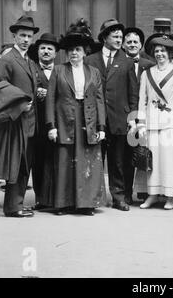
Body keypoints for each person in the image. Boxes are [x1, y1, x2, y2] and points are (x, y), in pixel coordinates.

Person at [45, 19, 106, 216]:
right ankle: (63, 204)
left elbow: (99, 100)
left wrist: (101, 127)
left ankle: (86, 204)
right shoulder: (58, 70)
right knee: (65, 161)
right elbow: (50, 99)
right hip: (65, 119)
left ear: (85, 51)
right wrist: (51, 126)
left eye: (78, 50)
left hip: (88, 120)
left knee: (87, 160)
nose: (74, 53)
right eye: (70, 50)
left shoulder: (93, 72)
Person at [0, 15, 40, 217]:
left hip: (30, 121)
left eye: (29, 36)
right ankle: (12, 207)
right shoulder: (7, 59)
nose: (25, 39)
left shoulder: (29, 61)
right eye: (22, 35)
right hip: (15, 120)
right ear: (14, 36)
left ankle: (18, 203)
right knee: (16, 163)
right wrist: (19, 104)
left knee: (25, 163)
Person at [85, 19, 138, 211]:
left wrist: (132, 118)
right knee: (94, 158)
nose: (119, 39)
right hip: (95, 119)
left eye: (120, 37)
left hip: (119, 119)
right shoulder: (90, 60)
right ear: (104, 38)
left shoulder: (127, 62)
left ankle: (119, 198)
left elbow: (133, 93)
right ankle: (92, 199)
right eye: (115, 36)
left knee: (117, 161)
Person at [135, 35, 173, 210]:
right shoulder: (147, 73)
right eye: (156, 51)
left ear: (170, 53)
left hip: (171, 123)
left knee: (170, 161)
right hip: (151, 122)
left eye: (163, 51)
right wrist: (141, 124)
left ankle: (171, 196)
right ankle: (152, 194)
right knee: (153, 161)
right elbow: (141, 100)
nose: (159, 54)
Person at [122, 26, 154, 203]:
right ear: (124, 45)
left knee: (144, 153)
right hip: (125, 115)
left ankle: (143, 192)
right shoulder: (118, 63)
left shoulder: (149, 65)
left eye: (135, 42)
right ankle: (126, 193)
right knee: (126, 156)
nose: (132, 45)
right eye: (129, 42)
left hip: (144, 115)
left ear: (141, 45)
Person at [31, 33, 59, 210]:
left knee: (57, 160)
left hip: (59, 124)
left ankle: (58, 198)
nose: (46, 51)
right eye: (43, 48)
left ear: (56, 53)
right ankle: (40, 198)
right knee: (39, 161)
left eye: (50, 48)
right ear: (38, 51)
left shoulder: (62, 70)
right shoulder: (32, 69)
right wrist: (36, 93)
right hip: (38, 124)